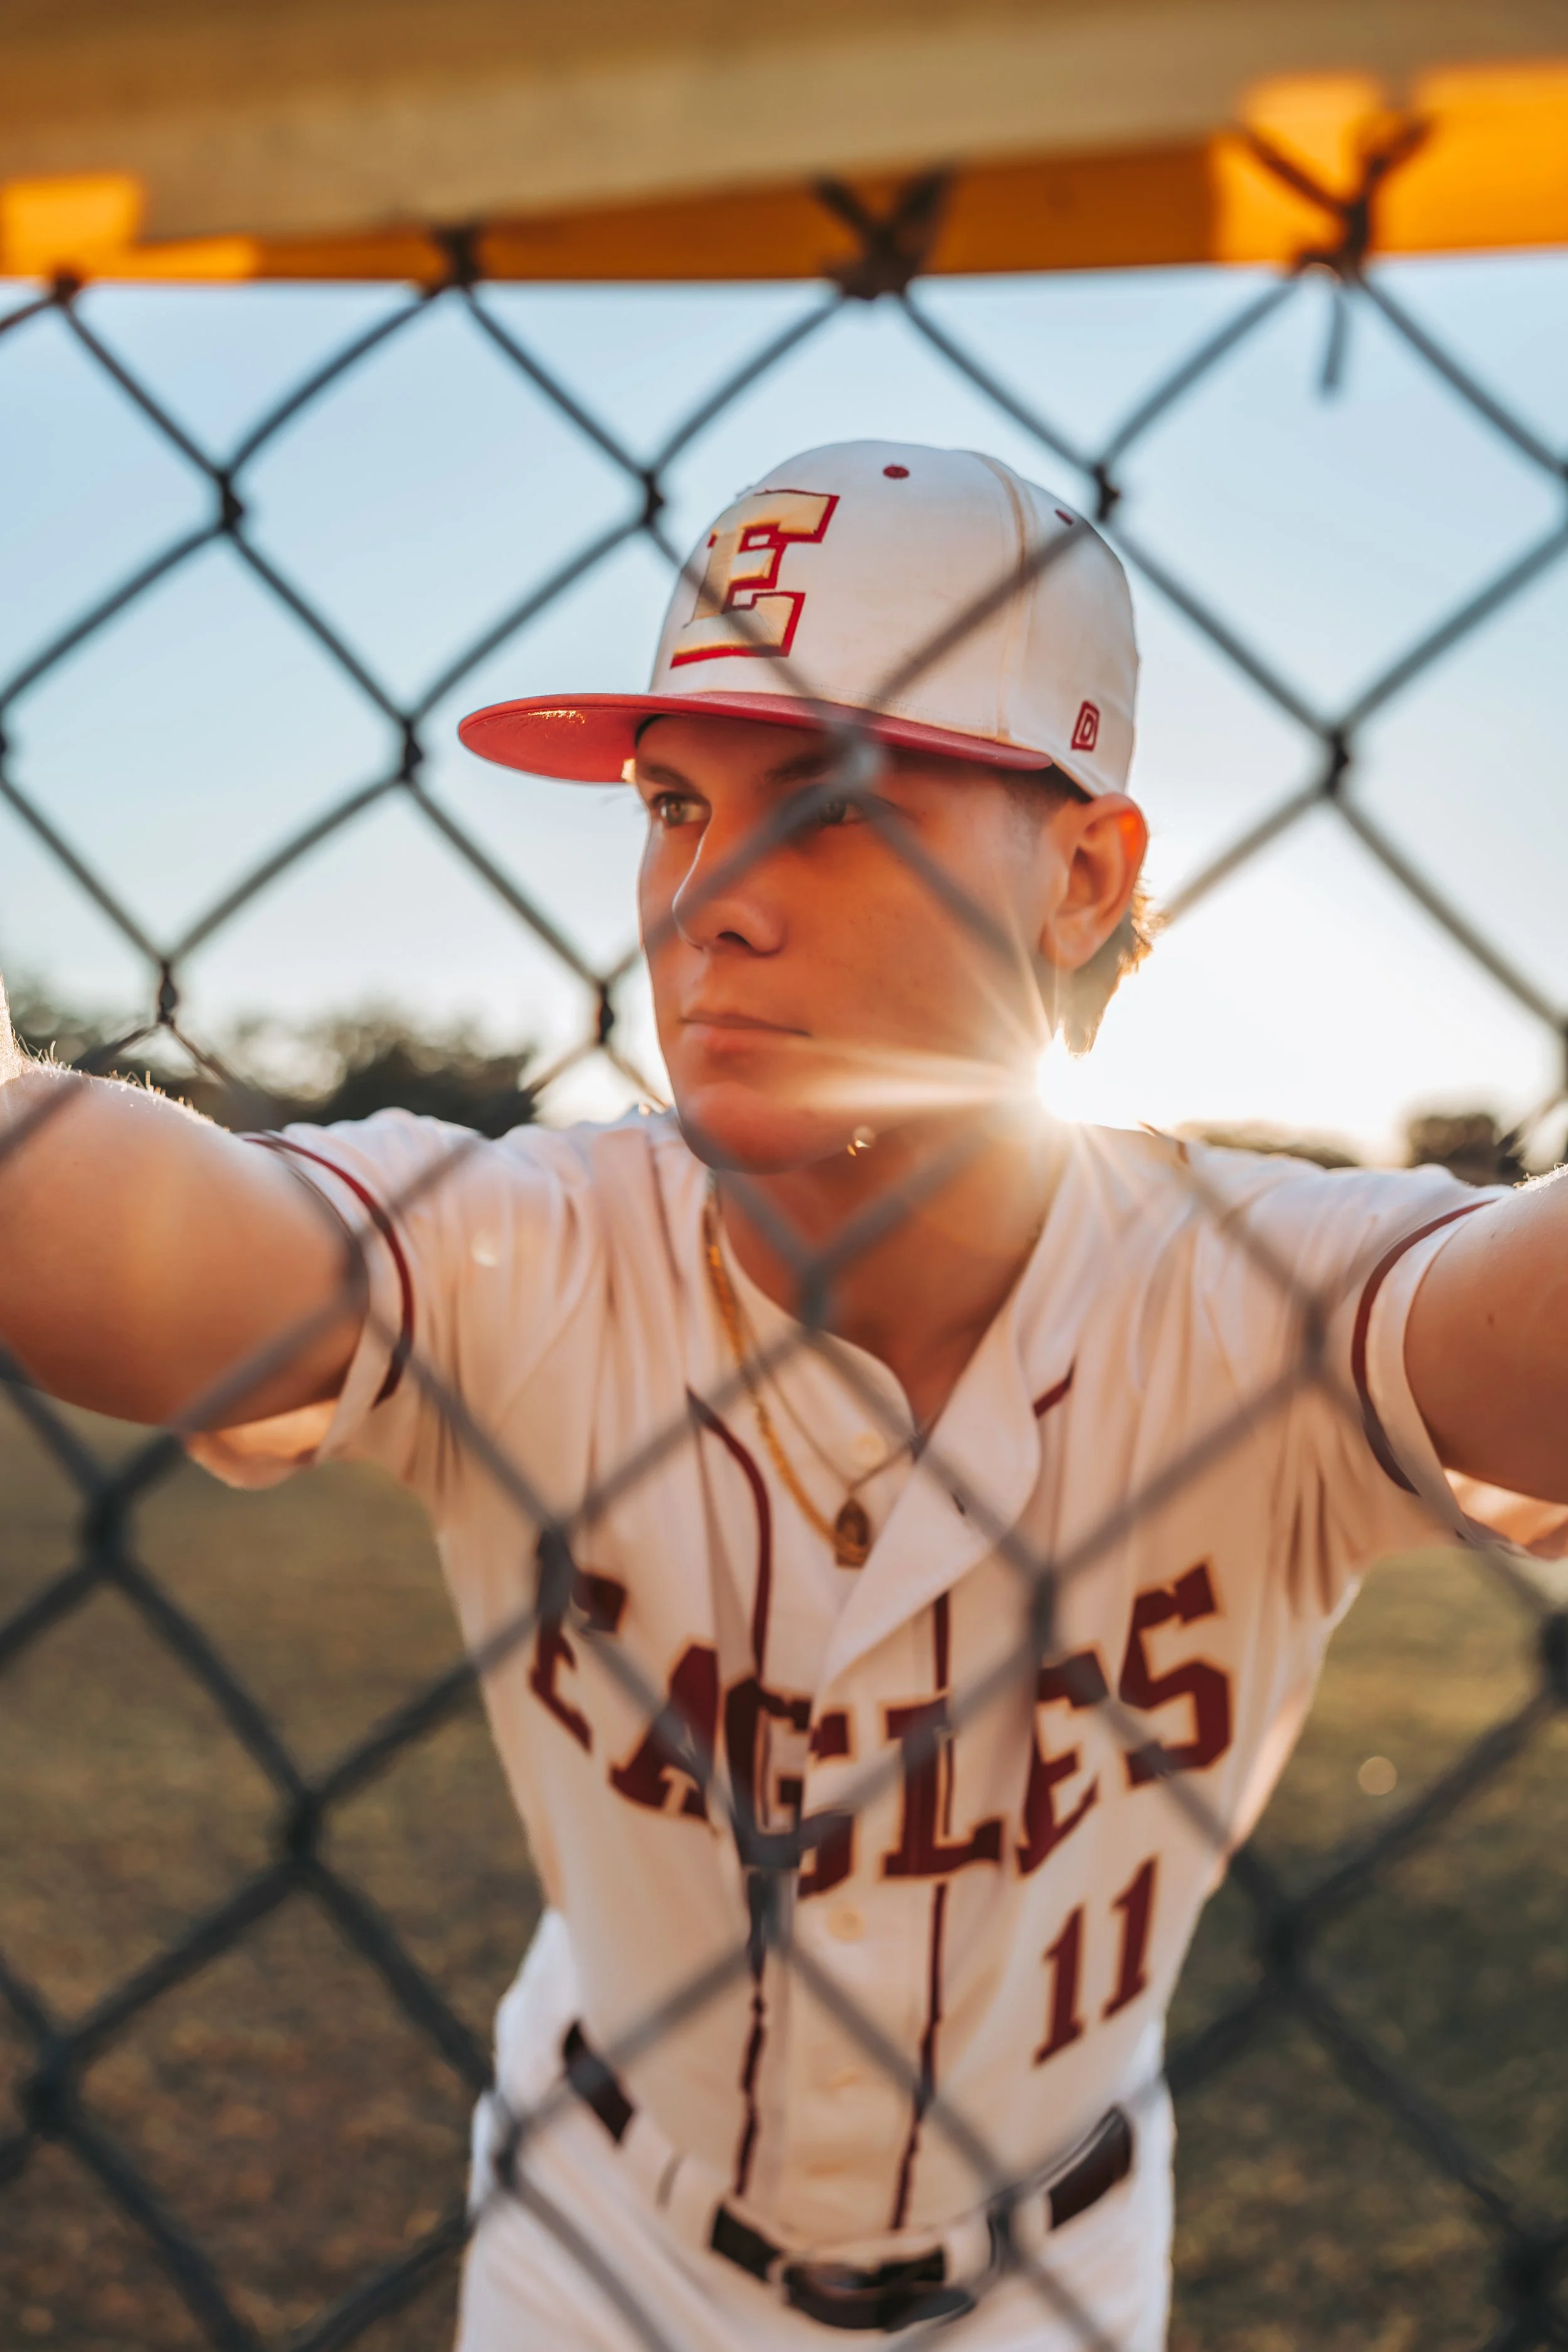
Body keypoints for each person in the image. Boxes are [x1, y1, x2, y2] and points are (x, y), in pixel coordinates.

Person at [1, 441, 1564, 2351]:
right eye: (672, 801)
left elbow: (1505, 1326)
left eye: (824, 801)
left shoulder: (1253, 1290)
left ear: (1081, 872)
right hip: (595, 2231)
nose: (705, 897)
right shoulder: (540, 1241)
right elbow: (174, 1265)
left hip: (1050, 2266)